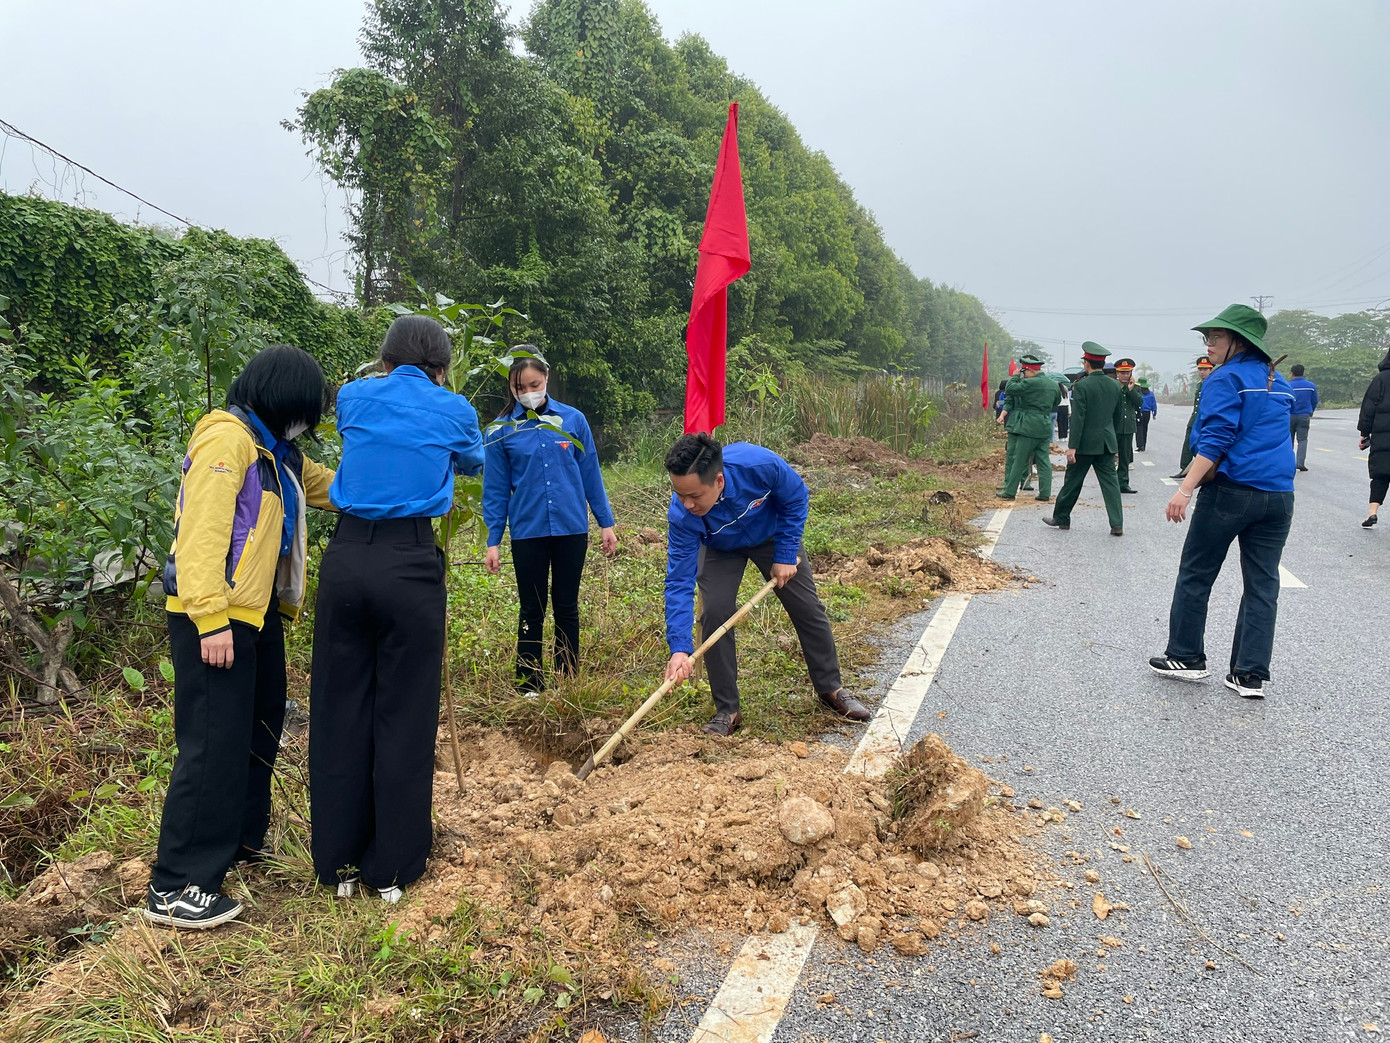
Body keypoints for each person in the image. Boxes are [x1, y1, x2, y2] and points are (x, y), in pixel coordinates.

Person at [147, 345, 335, 929]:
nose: (307, 422)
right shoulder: (226, 439)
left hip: (258, 615)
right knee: (213, 744)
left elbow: (342, 488)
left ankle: (242, 844)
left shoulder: (278, 453)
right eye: (305, 410)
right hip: (216, 618)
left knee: (259, 730)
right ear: (281, 398)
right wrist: (209, 620)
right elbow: (201, 533)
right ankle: (178, 885)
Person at [308, 315, 484, 904]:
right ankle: (394, 867)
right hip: (410, 562)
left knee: (340, 709)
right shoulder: (454, 408)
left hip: (347, 557)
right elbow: (473, 462)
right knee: (404, 713)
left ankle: (338, 864)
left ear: (384, 359)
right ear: (441, 366)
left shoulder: (354, 397)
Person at [662, 433, 869, 736]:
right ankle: (727, 710)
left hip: (772, 536)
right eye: (680, 494)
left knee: (807, 607)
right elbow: (679, 581)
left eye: (694, 495)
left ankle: (831, 688)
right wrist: (679, 648)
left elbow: (795, 496)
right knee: (716, 611)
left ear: (718, 481)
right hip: (719, 547)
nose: (687, 503)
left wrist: (786, 553)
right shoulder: (682, 514)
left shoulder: (757, 465)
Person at [1149, 305, 1295, 700]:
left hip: (1232, 492)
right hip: (1280, 497)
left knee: (1196, 572)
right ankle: (1249, 675)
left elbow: (1216, 439)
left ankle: (1186, 657)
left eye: (1217, 337)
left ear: (1239, 341)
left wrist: (1185, 489)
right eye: (1206, 338)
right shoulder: (1278, 380)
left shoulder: (1224, 379)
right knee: (1263, 583)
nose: (1209, 344)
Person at [483, 352, 617, 692]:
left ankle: (568, 679)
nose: (527, 392)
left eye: (534, 384)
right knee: (532, 607)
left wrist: (606, 522)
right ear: (510, 388)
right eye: (519, 387)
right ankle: (529, 683)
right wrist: (493, 540)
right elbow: (496, 489)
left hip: (571, 527)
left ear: (546, 378)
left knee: (566, 604)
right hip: (528, 530)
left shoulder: (572, 421)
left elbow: (590, 474)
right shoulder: (500, 432)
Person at [1043, 343, 1125, 536]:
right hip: (1106, 443)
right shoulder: (1115, 386)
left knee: (1072, 481)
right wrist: (1114, 443)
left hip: (1085, 445)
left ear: (1087, 363)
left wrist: (1072, 447)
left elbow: (1078, 419)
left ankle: (1062, 518)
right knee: (1111, 484)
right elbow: (1117, 416)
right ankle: (1117, 524)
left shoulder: (1081, 386)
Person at [995, 354, 1060, 501]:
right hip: (1044, 424)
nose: (1023, 374)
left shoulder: (1031, 383)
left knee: (1019, 458)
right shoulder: (1053, 384)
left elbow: (1010, 388)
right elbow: (1056, 400)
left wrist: (1015, 376)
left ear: (1030, 370)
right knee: (1043, 460)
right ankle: (1045, 493)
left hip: (1028, 426)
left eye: (1024, 371)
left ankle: (1010, 491)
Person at [1357, 350, 1390, 527]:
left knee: (1381, 475)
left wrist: (1364, 433)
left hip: (1382, 437)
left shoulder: (1380, 379)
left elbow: (1368, 408)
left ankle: (1372, 512)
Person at [1174, 356, 1215, 477]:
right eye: (1200, 369)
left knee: (1202, 446)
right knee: (1188, 443)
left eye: (1205, 369)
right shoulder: (1200, 384)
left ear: (1211, 370)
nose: (1202, 372)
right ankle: (1184, 470)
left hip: (1205, 420)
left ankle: (1201, 471)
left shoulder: (1214, 383)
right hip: (1195, 419)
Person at [1111, 358, 1144, 493]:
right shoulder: (1112, 386)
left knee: (1124, 457)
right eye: (1122, 373)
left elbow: (1139, 402)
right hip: (1113, 425)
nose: (1125, 375)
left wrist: (1130, 390)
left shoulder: (1135, 388)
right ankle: (1111, 484)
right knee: (1109, 457)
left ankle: (1123, 483)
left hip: (1128, 427)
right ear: (1117, 373)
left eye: (1127, 372)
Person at [1288, 363, 1318, 473]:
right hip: (1304, 415)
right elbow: (1314, 400)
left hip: (1290, 416)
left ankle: (1288, 463)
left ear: (1292, 373)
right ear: (1303, 373)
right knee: (1302, 440)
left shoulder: (1288, 386)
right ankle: (1300, 462)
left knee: (1288, 440)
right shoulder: (1310, 386)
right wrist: (1311, 411)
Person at [1136, 379, 1158, 452]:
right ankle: (1144, 446)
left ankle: (1140, 445)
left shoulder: (1138, 394)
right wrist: (1154, 413)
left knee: (1139, 429)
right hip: (1147, 413)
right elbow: (1154, 404)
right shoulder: (1151, 394)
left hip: (1140, 412)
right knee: (1145, 429)